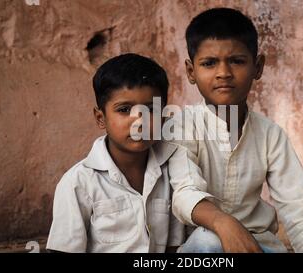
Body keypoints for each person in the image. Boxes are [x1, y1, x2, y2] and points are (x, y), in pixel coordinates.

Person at [168, 8, 303, 253]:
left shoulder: (271, 135)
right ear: (191, 71)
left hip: (259, 246)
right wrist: (224, 224)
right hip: (200, 248)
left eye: (237, 61)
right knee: (208, 241)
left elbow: (301, 211)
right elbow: (185, 193)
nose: (223, 73)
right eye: (209, 63)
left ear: (257, 67)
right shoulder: (181, 128)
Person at [46, 53, 207, 252]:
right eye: (124, 110)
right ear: (100, 118)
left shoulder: (171, 171)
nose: (139, 122)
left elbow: (173, 247)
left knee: (208, 241)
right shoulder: (78, 183)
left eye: (151, 110)